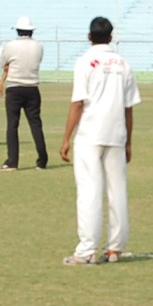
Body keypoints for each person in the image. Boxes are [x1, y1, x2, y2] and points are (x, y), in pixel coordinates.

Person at [59, 16, 141, 265]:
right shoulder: (123, 63)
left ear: (89, 36)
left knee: (89, 191)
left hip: (90, 134)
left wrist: (66, 138)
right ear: (111, 36)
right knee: (117, 191)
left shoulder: (85, 62)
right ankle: (115, 249)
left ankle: (87, 250)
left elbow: (77, 103)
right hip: (116, 134)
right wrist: (128, 141)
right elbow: (129, 108)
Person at [0, 15, 48, 171]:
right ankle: (42, 160)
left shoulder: (10, 46)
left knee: (12, 125)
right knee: (36, 124)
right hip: (32, 87)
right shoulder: (39, 46)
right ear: (31, 31)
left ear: (18, 30)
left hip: (14, 87)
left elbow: (2, 63)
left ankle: (12, 161)